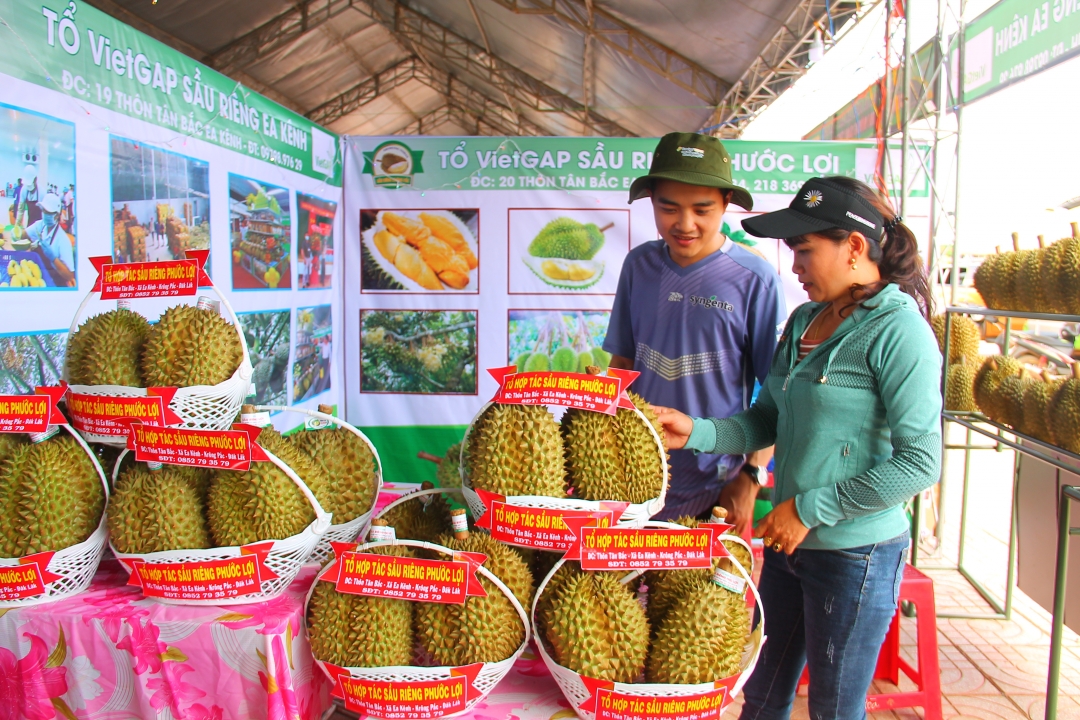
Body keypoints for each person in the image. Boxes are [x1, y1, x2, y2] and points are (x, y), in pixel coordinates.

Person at [652, 176, 941, 720]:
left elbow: (921, 463)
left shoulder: (900, 333)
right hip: (791, 545)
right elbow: (769, 418)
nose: (796, 267)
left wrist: (809, 510)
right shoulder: (806, 320)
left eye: (805, 251)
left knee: (832, 707)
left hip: (855, 554)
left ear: (855, 247)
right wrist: (697, 431)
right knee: (762, 693)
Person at [603, 131, 784, 528]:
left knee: (700, 591)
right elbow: (623, 362)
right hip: (634, 478)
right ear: (652, 202)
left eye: (702, 209)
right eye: (669, 208)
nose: (685, 224)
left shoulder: (754, 279)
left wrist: (751, 478)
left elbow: (777, 395)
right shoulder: (639, 266)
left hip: (716, 484)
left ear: (726, 204)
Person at [25, 192, 75, 287]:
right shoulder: (41, 225)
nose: (44, 214)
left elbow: (69, 275)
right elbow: (25, 234)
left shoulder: (63, 240)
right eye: (43, 211)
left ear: (57, 215)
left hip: (53, 282)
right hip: (38, 275)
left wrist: (53, 258)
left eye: (48, 212)